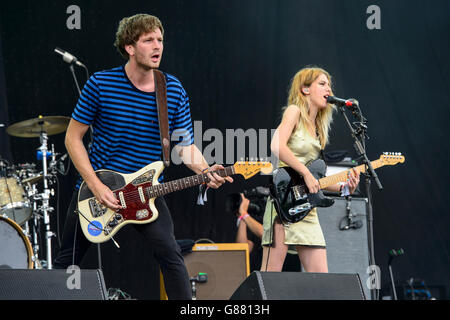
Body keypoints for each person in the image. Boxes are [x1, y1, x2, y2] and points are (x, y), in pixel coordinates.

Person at [53, 14, 232, 300]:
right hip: (97, 189)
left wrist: (205, 169)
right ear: (129, 47)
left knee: (171, 257)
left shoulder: (171, 89)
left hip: (145, 190)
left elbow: (184, 144)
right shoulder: (100, 83)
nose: (157, 46)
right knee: (66, 261)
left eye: (160, 40)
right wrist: (96, 186)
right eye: (148, 40)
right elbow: (72, 139)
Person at [261, 66, 360, 273]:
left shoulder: (318, 128)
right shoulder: (294, 111)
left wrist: (344, 188)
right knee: (270, 278)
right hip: (283, 202)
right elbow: (277, 146)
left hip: (307, 209)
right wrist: (305, 173)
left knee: (321, 279)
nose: (329, 90)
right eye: (322, 84)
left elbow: (316, 179)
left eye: (330, 85)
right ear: (305, 89)